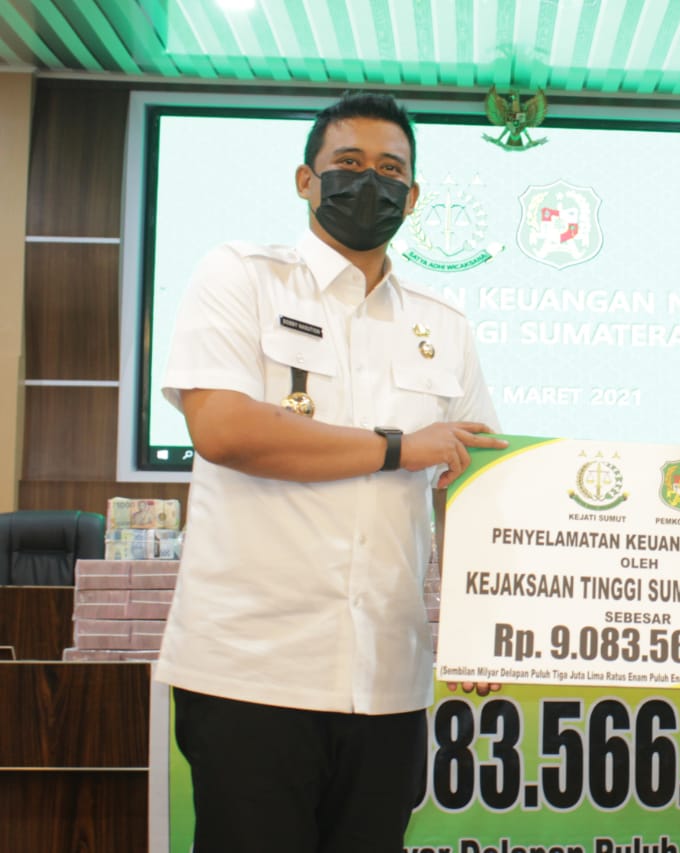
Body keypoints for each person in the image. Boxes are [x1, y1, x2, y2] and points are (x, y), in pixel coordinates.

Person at [156, 92, 507, 853]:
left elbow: (472, 486)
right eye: (349, 163)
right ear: (305, 180)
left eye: (391, 170)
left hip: (387, 681)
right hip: (251, 672)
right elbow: (223, 429)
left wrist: (482, 624)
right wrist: (398, 448)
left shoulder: (443, 324)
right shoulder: (241, 276)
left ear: (413, 197)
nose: (370, 182)